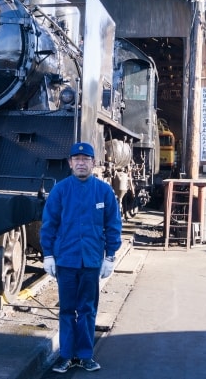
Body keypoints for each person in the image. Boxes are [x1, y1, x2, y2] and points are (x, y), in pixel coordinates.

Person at [40, 142, 123, 373]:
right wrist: (48, 255)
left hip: (91, 260)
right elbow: (49, 225)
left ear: (93, 163)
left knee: (87, 309)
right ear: (70, 163)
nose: (81, 163)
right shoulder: (60, 190)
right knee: (67, 309)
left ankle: (85, 355)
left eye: (85, 159)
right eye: (76, 159)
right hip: (66, 260)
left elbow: (113, 224)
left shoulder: (104, 191)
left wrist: (110, 256)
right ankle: (66, 355)